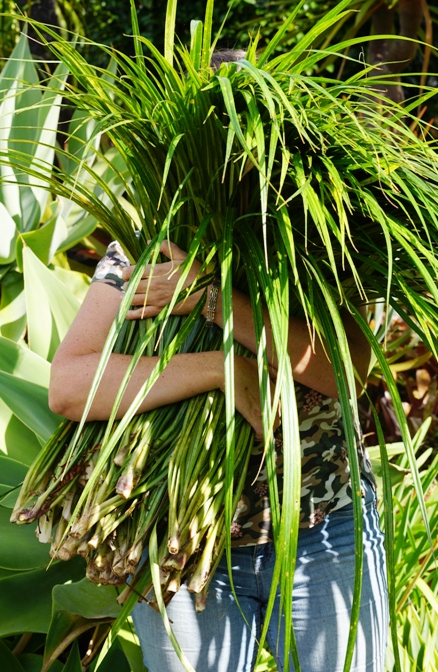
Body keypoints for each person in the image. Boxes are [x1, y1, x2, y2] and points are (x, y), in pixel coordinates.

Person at [49, 50, 388, 672]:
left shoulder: (320, 246)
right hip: (184, 541)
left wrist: (212, 296)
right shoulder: (148, 246)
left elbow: (342, 372)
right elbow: (70, 386)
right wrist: (218, 370)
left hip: (322, 528)